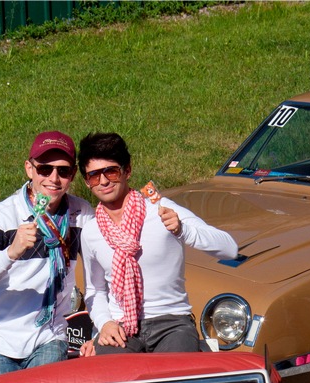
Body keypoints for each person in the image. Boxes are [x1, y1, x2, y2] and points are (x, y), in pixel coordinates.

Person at [77, 132, 238, 355]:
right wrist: (104, 323)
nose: (103, 181)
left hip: (171, 322)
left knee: (174, 382)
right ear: (87, 182)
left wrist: (184, 230)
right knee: (111, 381)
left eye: (111, 172)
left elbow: (229, 248)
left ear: (127, 170)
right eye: (94, 176)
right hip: (122, 326)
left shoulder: (160, 209)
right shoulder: (91, 231)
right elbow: (94, 290)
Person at [0, 131, 94, 378]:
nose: (53, 179)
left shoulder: (81, 213)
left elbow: (100, 271)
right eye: (45, 169)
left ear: (73, 175)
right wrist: (11, 253)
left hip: (49, 336)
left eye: (63, 171)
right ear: (29, 169)